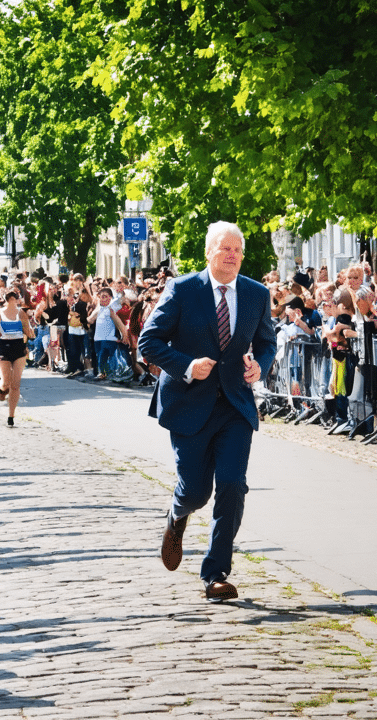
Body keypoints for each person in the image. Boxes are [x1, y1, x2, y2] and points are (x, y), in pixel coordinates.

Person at [138, 221, 276, 602]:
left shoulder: (256, 293)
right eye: (224, 248)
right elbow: (149, 341)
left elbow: (266, 342)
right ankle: (177, 515)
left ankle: (215, 573)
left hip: (234, 405)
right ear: (208, 252)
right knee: (197, 491)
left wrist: (259, 365)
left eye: (237, 249)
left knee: (232, 484)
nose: (231, 255)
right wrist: (186, 365)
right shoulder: (182, 290)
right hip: (189, 405)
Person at [0, 291, 34, 427]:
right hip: (4, 348)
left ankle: (11, 415)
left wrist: (30, 333)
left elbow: (27, 330)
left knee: (15, 384)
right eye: (14, 299)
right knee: (6, 382)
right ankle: (1, 388)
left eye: (17, 299)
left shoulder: (21, 313)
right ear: (9, 300)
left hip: (19, 347)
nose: (17, 301)